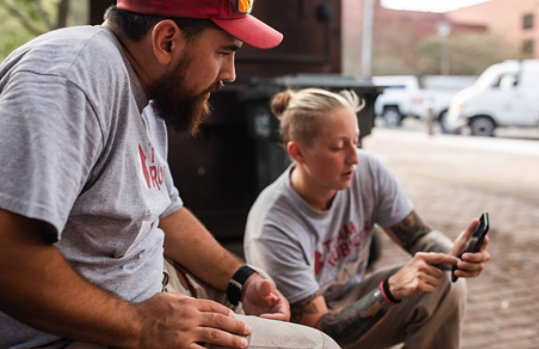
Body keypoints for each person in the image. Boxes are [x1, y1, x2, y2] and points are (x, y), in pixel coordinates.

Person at [0, 1, 340, 348]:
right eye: (224, 52)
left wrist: (241, 278)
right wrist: (142, 326)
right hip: (78, 333)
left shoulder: (147, 88)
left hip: (148, 302)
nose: (230, 73)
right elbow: (7, 258)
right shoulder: (71, 79)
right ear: (166, 41)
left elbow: (165, 212)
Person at [243, 88, 492, 349]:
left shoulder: (367, 171)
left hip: (349, 299)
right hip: (300, 337)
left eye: (355, 141)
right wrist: (389, 292)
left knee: (442, 281)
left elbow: (418, 235)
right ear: (298, 153)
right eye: (339, 147)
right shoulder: (272, 225)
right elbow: (318, 331)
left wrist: (454, 256)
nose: (354, 158)